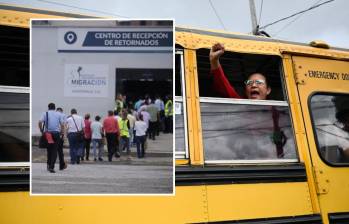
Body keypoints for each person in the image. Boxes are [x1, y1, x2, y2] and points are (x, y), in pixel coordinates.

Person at [38, 103, 64, 173]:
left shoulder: (45, 113)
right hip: (56, 134)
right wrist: (62, 132)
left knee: (49, 150)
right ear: (55, 108)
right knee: (54, 150)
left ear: (48, 107)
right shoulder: (59, 114)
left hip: (48, 134)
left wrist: (41, 130)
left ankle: (48, 164)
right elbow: (62, 124)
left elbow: (40, 122)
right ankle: (52, 167)